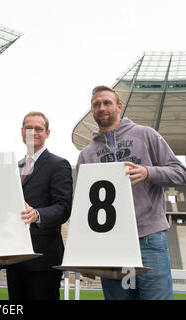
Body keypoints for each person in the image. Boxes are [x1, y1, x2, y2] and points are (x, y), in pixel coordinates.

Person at [77, 85, 186, 300]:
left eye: (107, 102)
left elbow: (180, 172)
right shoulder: (86, 155)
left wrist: (148, 171)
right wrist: (85, 255)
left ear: (119, 106)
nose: (101, 108)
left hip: (148, 239)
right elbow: (83, 210)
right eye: (96, 104)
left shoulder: (146, 135)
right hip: (110, 246)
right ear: (92, 110)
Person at [3, 111, 73, 300]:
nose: (33, 132)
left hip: (43, 259)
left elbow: (64, 207)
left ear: (47, 133)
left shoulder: (59, 164)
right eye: (29, 128)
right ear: (21, 132)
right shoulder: (13, 167)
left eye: (39, 129)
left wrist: (37, 214)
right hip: (15, 256)